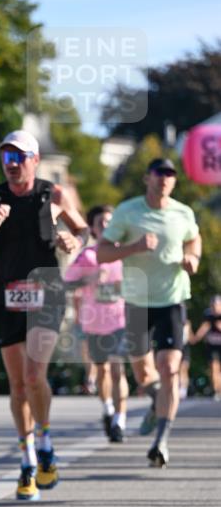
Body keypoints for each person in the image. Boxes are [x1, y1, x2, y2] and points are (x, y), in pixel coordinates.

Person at [0, 129, 87, 502]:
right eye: (7, 157)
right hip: (8, 297)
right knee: (17, 387)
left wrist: (73, 241)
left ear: (34, 160)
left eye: (19, 157)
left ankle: (45, 436)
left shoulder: (54, 194)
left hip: (47, 295)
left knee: (35, 376)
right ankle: (28, 458)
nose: (12, 164)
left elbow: (83, 234)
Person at [97, 157, 201, 468]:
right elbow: (103, 251)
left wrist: (193, 256)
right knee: (144, 375)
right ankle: (157, 403)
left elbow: (194, 237)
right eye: (159, 173)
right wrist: (135, 247)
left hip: (172, 299)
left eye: (171, 174)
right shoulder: (128, 211)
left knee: (169, 367)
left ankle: (162, 441)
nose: (165, 179)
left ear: (174, 180)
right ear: (148, 178)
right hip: (137, 301)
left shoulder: (183, 213)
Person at [64, 205, 128, 442]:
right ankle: (108, 408)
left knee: (117, 369)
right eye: (101, 222)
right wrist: (89, 279)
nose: (106, 226)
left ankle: (119, 421)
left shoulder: (124, 253)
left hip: (121, 321)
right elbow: (66, 283)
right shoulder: (87, 256)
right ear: (92, 228)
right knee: (102, 371)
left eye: (110, 222)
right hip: (94, 324)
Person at [190, 294, 221, 400]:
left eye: (216, 305)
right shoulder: (208, 314)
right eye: (212, 306)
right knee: (213, 368)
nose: (214, 308)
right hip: (212, 346)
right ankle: (216, 391)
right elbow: (205, 326)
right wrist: (196, 337)